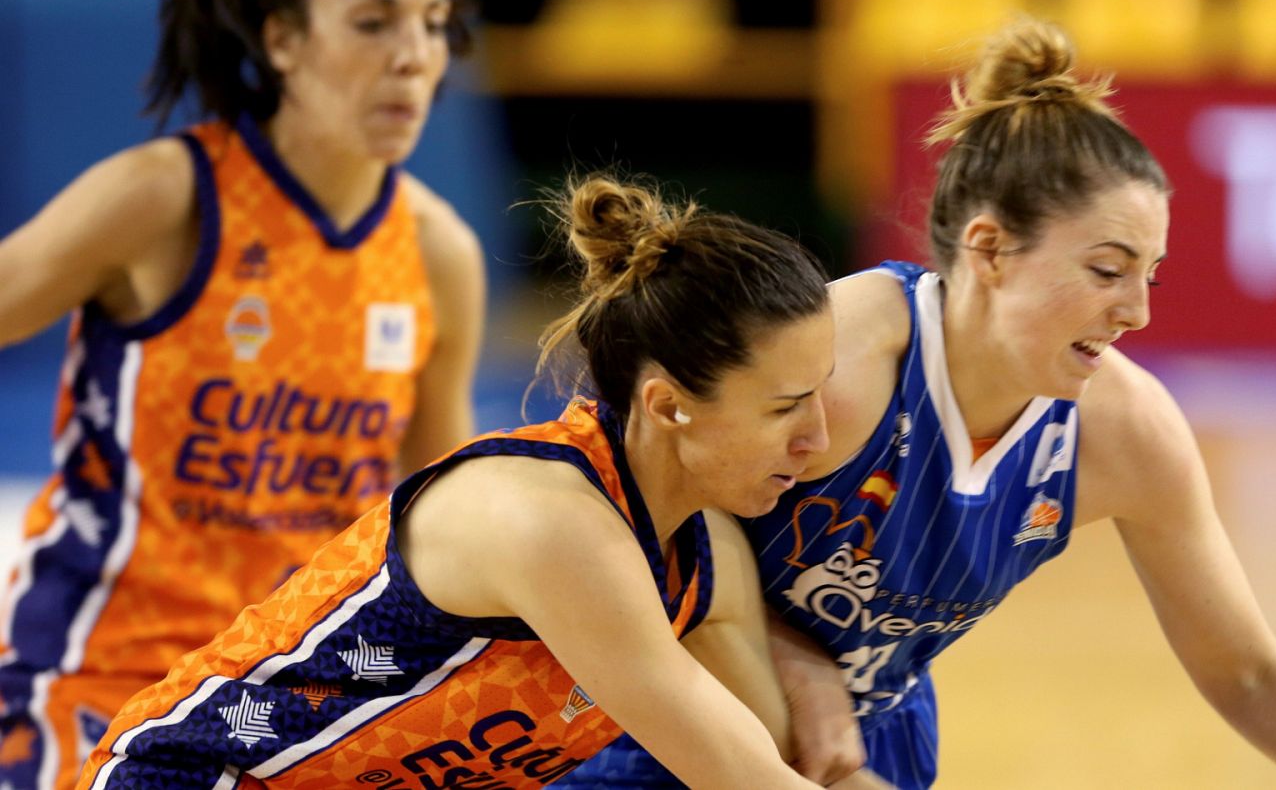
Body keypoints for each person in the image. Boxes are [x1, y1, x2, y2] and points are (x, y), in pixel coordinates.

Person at [566, 17, 1276, 788]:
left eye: (1150, 276)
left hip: (867, 740)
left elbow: (1250, 673)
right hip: (659, 711)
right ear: (990, 250)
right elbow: (650, 501)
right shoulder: (840, 354)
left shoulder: (1125, 429)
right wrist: (785, 663)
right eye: (1107, 270)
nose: (1137, 312)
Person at [75, 174, 869, 790]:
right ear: (668, 406)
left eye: (820, 394)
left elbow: (779, 759)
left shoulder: (694, 555)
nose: (818, 439)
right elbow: (741, 777)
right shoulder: (554, 523)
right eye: (784, 407)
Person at [0, 0, 485, 787]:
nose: (414, 56)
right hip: (110, 674)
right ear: (283, 39)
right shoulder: (163, 198)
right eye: (373, 22)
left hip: (295, 687)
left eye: (432, 23)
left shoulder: (439, 253)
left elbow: (441, 525)